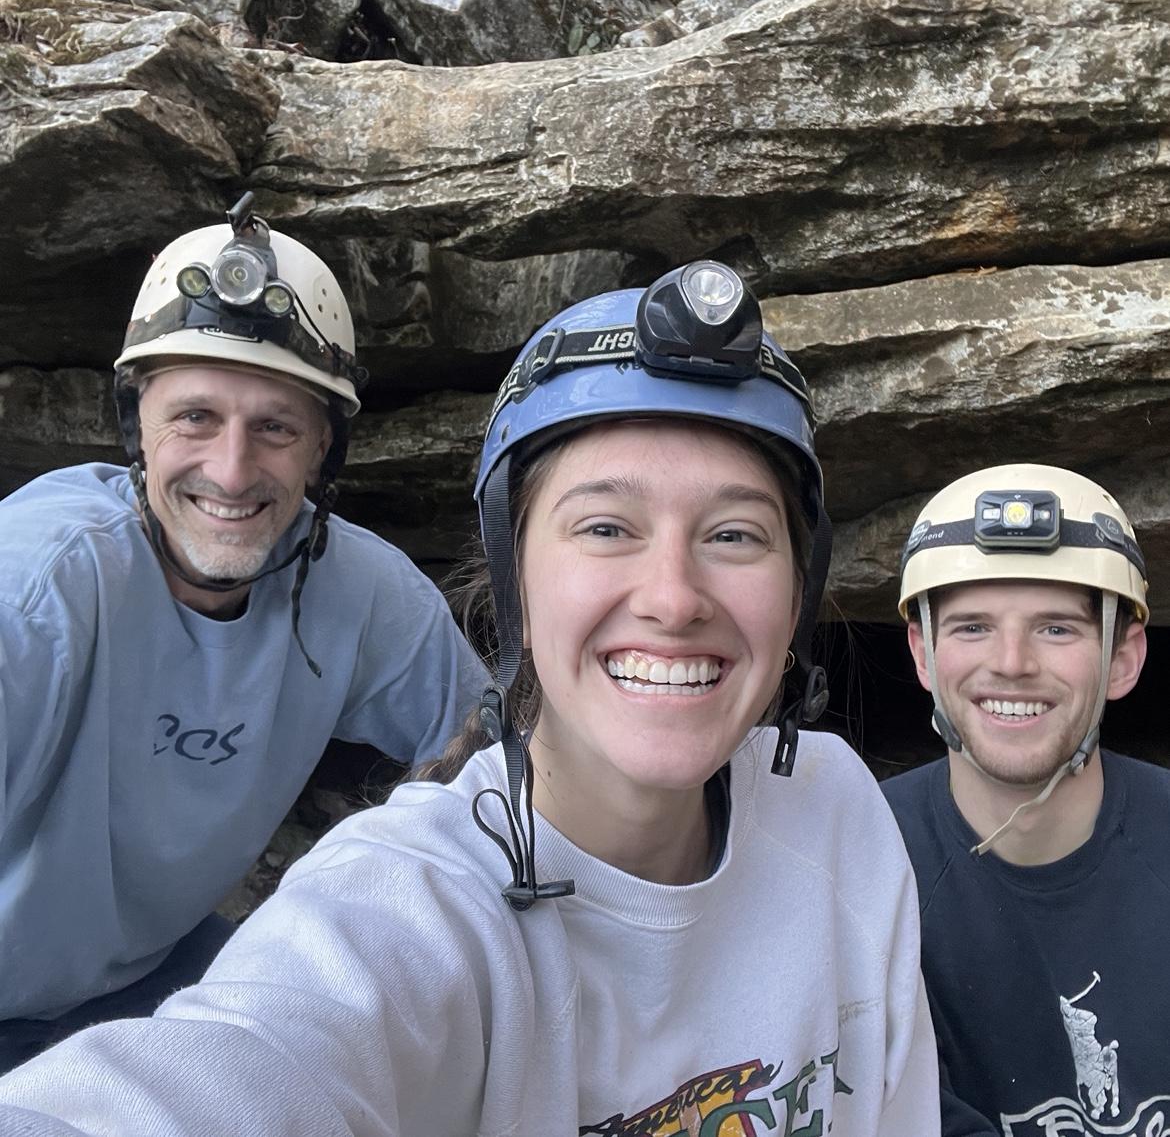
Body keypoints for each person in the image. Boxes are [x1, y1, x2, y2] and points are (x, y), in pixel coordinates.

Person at [0, 260, 939, 1134]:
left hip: (149, 954)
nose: (670, 597)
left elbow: (481, 726)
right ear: (513, 574)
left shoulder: (837, 813)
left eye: (734, 534)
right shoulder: (39, 588)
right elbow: (248, 1059)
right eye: (606, 526)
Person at [0, 194, 487, 1073]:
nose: (231, 469)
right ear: (137, 426)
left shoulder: (357, 592)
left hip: (149, 975)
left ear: (323, 452)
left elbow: (507, 766)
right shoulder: (38, 592)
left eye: (274, 427)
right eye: (195, 417)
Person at [882, 464, 1167, 1137]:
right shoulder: (858, 864)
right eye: (973, 627)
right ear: (922, 654)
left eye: (1057, 629)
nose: (1011, 662)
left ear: (1122, 659)